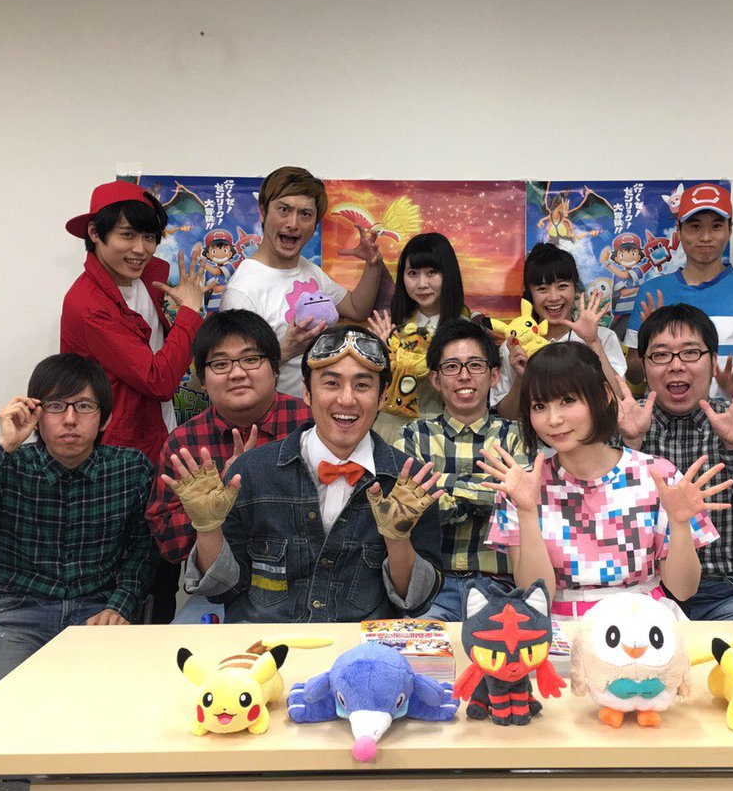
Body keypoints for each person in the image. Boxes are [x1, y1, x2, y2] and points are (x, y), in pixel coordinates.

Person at [0, 354, 154, 715]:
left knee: (119, 719)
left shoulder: (130, 469)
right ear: (36, 413)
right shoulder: (8, 464)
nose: (70, 419)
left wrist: (121, 604)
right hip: (18, 611)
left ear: (104, 418)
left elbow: (143, 548)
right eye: (56, 406)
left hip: (97, 609)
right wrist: (2, 446)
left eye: (84, 406)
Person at [166, 325, 444, 622]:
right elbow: (221, 590)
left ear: (382, 397)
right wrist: (208, 528)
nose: (346, 399)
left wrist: (397, 539)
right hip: (263, 641)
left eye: (362, 385)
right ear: (307, 392)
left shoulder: (408, 484)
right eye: (331, 383)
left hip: (360, 645)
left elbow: (414, 602)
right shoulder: (250, 472)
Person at [479, 342, 730, 621]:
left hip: (645, 624)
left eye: (567, 401)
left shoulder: (657, 475)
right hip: (562, 628)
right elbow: (536, 596)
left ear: (604, 395)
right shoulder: (522, 487)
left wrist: (680, 525)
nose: (553, 419)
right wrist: (526, 511)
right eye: (539, 406)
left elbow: (683, 590)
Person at [60, 179, 211, 624]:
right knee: (126, 569)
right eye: (127, 235)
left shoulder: (147, 277)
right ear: (95, 233)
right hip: (119, 452)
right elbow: (158, 379)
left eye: (149, 236)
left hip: (157, 437)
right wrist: (191, 314)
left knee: (162, 564)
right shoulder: (88, 305)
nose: (140, 249)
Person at [620, 303, 733, 620]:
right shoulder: (622, 423)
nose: (676, 366)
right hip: (640, 593)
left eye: (690, 353)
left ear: (713, 362)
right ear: (643, 366)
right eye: (660, 355)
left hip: (727, 592)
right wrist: (630, 445)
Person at [146, 310, 311, 622]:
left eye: (250, 359)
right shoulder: (184, 444)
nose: (237, 373)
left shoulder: (310, 424)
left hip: (307, 583)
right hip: (217, 595)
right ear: (203, 381)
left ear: (275, 368)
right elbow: (168, 543)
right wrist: (213, 503)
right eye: (220, 364)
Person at [394, 319, 526, 620]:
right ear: (436, 379)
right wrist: (487, 489)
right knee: (419, 651)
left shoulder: (516, 436)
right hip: (432, 589)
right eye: (452, 367)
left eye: (475, 365)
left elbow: (517, 504)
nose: (464, 376)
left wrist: (443, 485)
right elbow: (413, 511)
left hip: (502, 588)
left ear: (494, 375)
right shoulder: (413, 436)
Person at [219, 166, 388, 398]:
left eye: (305, 214)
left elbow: (357, 308)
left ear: (315, 223)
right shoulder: (242, 291)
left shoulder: (309, 270)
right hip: (274, 415)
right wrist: (286, 351)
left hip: (320, 411)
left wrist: (373, 264)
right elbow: (237, 374)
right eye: (284, 210)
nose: (293, 223)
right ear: (263, 212)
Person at [624, 184, 733, 398]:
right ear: (679, 230)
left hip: (732, 414)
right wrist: (649, 345)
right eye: (695, 226)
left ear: (730, 230)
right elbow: (633, 374)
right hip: (664, 416)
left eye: (716, 226)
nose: (706, 237)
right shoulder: (652, 291)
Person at [492, 242, 627, 419]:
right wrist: (520, 378)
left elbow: (620, 400)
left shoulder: (602, 337)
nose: (554, 297)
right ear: (529, 295)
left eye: (562, 286)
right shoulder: (513, 347)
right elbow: (507, 415)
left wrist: (594, 343)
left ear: (575, 288)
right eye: (542, 289)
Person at [368, 232, 467, 443]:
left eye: (432, 272)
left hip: (445, 432)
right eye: (413, 273)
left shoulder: (466, 330)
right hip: (390, 428)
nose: (422, 283)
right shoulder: (392, 327)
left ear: (448, 274)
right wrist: (383, 353)